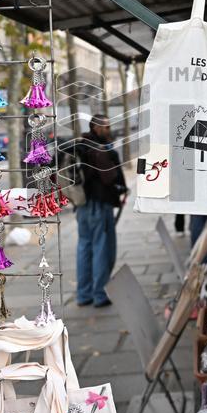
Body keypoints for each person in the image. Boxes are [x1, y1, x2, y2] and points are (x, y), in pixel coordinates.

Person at [75, 115, 126, 307]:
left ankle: (83, 295)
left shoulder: (81, 145)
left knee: (84, 249)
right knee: (102, 249)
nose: (109, 129)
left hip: (81, 206)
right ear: (96, 127)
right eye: (106, 126)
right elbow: (111, 178)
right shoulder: (100, 148)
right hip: (99, 205)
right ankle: (99, 294)